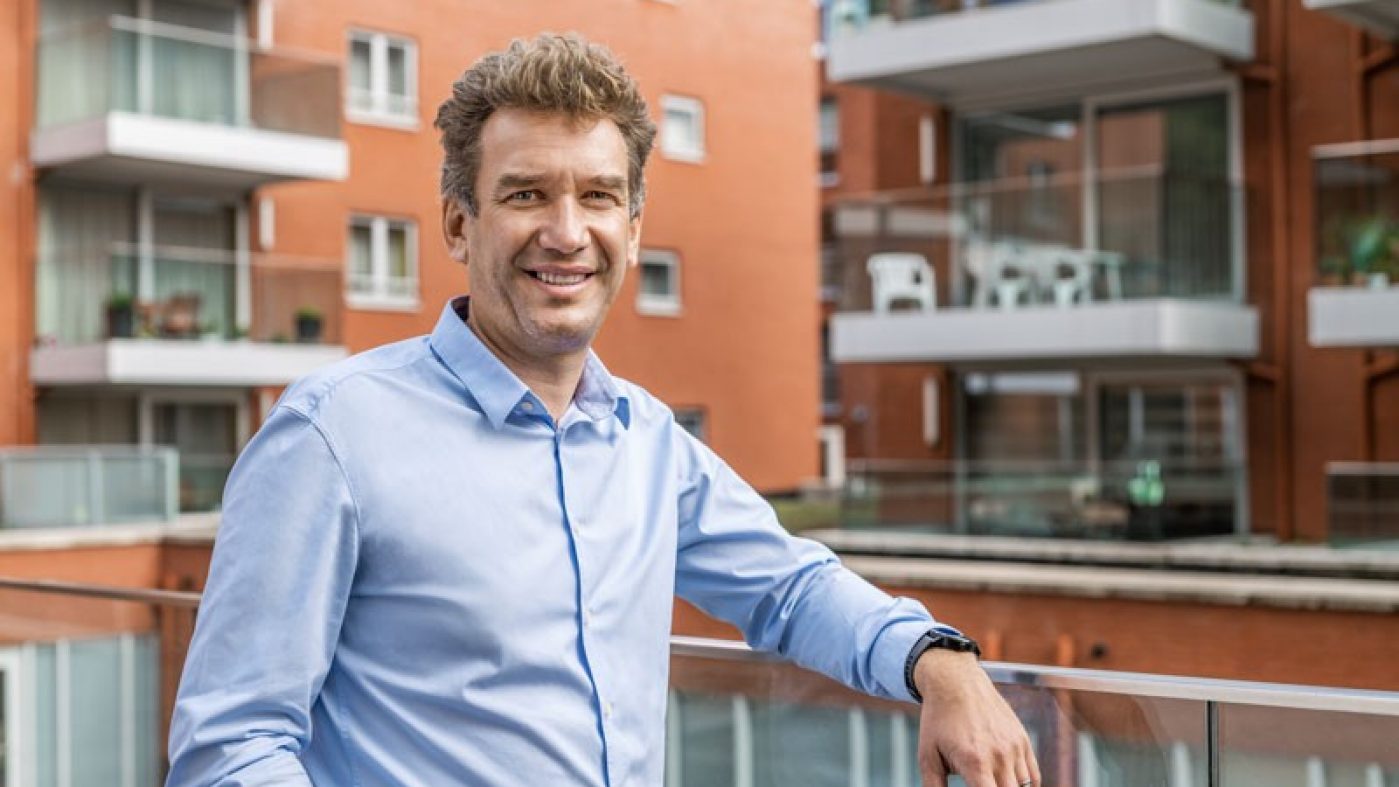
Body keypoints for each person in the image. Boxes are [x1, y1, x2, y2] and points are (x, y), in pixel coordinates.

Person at [166, 33, 1039, 787]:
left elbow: (789, 587)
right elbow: (230, 746)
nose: (566, 231)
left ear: (632, 222)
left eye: (596, 195)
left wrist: (941, 662)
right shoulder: (332, 436)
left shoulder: (647, 438)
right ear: (458, 224)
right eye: (524, 194)